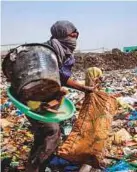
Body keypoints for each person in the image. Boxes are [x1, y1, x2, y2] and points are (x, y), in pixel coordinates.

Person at [26, 20, 94, 172]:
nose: (75, 38)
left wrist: (84, 88)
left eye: (76, 35)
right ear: (61, 34)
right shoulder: (45, 52)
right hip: (31, 100)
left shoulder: (66, 54)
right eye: (72, 34)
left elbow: (63, 78)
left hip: (46, 99)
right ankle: (35, 168)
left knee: (42, 134)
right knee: (51, 132)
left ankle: (35, 164)